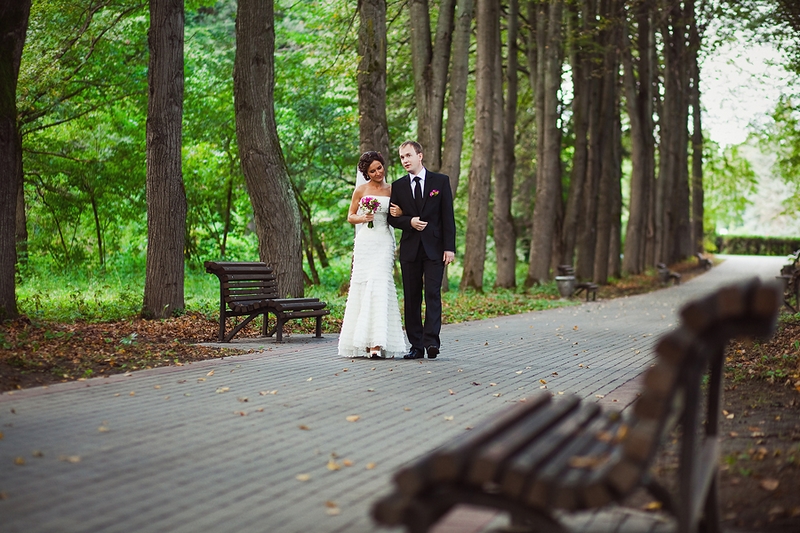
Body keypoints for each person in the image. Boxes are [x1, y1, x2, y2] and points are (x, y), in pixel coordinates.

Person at [338, 151, 410, 359]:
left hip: (384, 240)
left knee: (380, 284)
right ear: (366, 173)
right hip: (366, 241)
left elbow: (402, 211)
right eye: (372, 170)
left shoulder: (393, 189)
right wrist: (362, 218)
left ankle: (378, 343)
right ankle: (367, 343)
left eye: (379, 168)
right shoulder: (361, 190)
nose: (378, 172)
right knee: (364, 287)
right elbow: (350, 216)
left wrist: (400, 214)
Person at [387, 141, 456, 359]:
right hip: (410, 250)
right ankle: (416, 345)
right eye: (401, 157)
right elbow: (391, 218)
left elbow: (448, 217)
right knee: (412, 297)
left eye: (408, 155)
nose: (405, 160)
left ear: (420, 156)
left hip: (435, 248)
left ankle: (432, 342)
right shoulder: (398, 187)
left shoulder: (440, 181)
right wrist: (410, 221)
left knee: (433, 295)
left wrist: (449, 248)